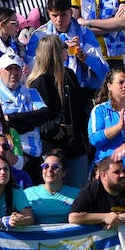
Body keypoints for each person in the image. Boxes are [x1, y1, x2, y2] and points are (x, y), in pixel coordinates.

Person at [26, 36, 91, 184]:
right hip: (52, 149)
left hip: (76, 145)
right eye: (64, 47)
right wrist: (54, 128)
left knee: (77, 190)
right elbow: (37, 117)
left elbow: (80, 108)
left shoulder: (69, 75)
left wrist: (84, 138)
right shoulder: (39, 83)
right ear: (54, 52)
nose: (67, 50)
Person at [23, 149, 80, 223]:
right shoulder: (27, 194)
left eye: (55, 167)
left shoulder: (77, 194)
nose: (49, 170)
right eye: (45, 166)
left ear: (63, 173)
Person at [0, 156, 34, 231]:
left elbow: (30, 217)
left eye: (6, 169)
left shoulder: (16, 189)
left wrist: (19, 220)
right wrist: (5, 221)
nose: (3, 172)